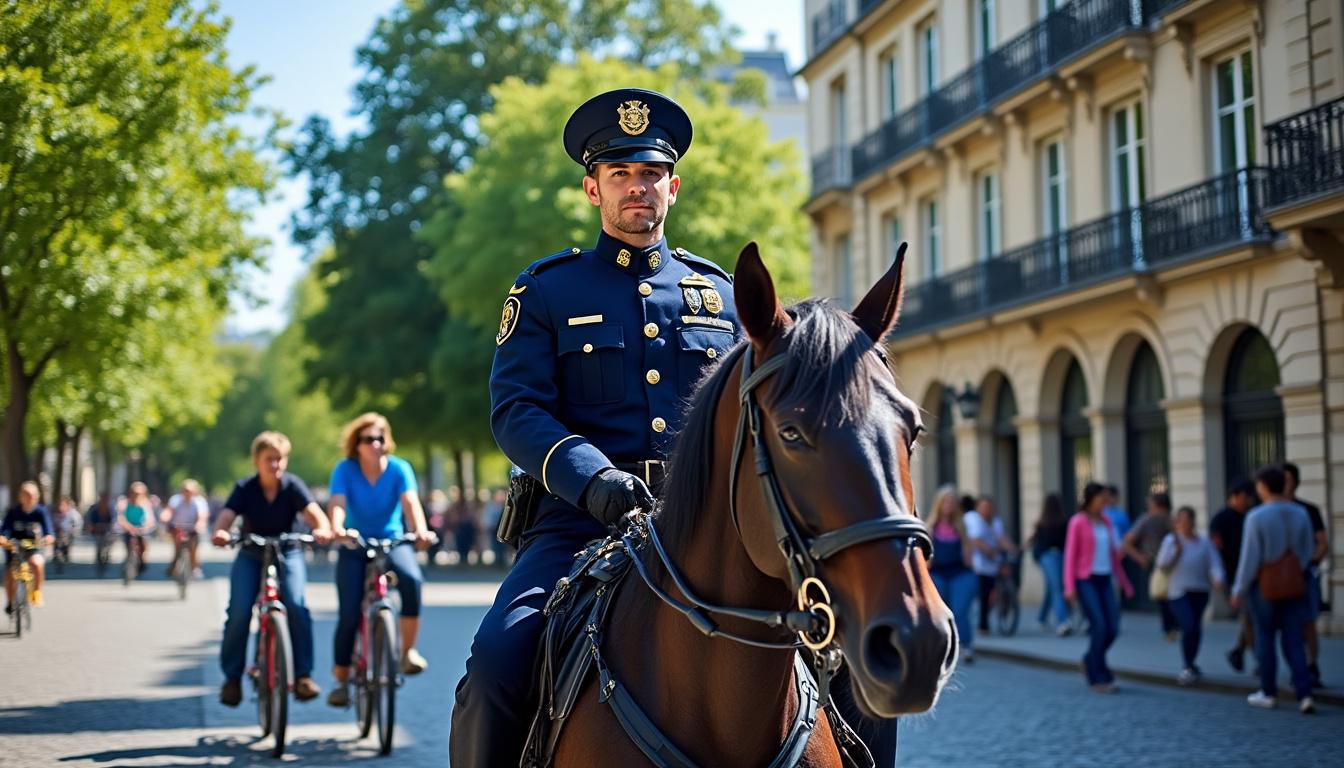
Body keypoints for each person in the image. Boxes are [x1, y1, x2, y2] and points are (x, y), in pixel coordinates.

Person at [449, 88, 747, 768]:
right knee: (498, 661)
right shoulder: (548, 291)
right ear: (593, 189)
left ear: (673, 186)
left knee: (845, 655)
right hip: (577, 524)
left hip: (709, 524)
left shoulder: (723, 296)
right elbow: (516, 409)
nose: (637, 187)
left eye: (651, 173)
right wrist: (593, 479)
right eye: (620, 174)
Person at [210, 431, 333, 707]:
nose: (275, 464)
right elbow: (227, 515)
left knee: (297, 606)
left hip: (287, 552)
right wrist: (221, 532)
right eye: (269, 459)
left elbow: (314, 514)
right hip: (251, 554)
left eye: (280, 459)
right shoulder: (245, 488)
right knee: (239, 611)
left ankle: (303, 676)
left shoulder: (293, 486)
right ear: (256, 460)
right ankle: (232, 679)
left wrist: (322, 529)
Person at [326, 412, 435, 708]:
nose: (375, 444)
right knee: (349, 613)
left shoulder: (400, 468)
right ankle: (340, 680)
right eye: (368, 439)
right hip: (354, 543)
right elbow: (337, 504)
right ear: (356, 444)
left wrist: (420, 530)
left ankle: (407, 652)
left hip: (391, 541)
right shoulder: (345, 469)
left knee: (412, 579)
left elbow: (410, 503)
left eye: (380, 438)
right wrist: (337, 528)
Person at [1229, 465, 1315, 714]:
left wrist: (1238, 589)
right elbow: (1307, 551)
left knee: (1265, 636)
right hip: (1295, 583)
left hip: (1264, 585)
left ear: (1263, 487)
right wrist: (1294, 571)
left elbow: (1250, 558)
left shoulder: (1256, 516)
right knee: (1294, 639)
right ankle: (1304, 693)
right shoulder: (1300, 513)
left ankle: (1268, 691)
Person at [1064, 482, 1134, 692]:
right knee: (1099, 626)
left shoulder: (1106, 521)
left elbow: (1114, 557)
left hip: (1105, 579)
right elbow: (1070, 556)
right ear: (1090, 499)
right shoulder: (1078, 521)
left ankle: (1089, 659)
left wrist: (1125, 583)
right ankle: (1098, 677)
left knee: (1112, 628)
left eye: (1106, 498)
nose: (1105, 502)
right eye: (1101, 498)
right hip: (1086, 579)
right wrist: (1069, 587)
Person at [1156, 506, 1225, 685]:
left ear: (1193, 521)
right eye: (1180, 520)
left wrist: (1218, 578)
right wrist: (1176, 552)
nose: (1183, 524)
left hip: (1200, 590)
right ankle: (1187, 666)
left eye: (1187, 520)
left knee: (1196, 628)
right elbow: (1161, 564)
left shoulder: (1204, 542)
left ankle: (1191, 663)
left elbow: (1214, 562)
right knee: (1189, 626)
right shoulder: (1171, 540)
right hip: (1178, 591)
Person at [1283, 462, 1328, 688]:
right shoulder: (1268, 511)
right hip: (1280, 578)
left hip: (1304, 574)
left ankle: (1311, 666)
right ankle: (1297, 667)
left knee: (1308, 622)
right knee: (1288, 625)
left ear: (1296, 483)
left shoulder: (1308, 510)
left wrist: (1311, 563)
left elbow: (1322, 543)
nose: (1284, 485)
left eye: (1288, 480)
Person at [924, 485, 978, 663]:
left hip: (959, 572)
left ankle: (966, 646)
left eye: (952, 502)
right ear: (939, 504)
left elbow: (968, 559)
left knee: (959, 610)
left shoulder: (962, 527)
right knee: (939, 613)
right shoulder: (930, 527)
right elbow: (926, 561)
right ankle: (942, 647)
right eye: (946, 501)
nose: (949, 505)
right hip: (938, 573)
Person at [1210, 481, 1257, 673]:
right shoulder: (1221, 519)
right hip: (1231, 576)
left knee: (1251, 617)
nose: (1250, 501)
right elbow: (1214, 549)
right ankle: (1258, 658)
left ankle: (1238, 651)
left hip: (1253, 573)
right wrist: (1218, 576)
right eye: (1247, 497)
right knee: (1249, 616)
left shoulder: (1251, 516)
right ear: (1236, 496)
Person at [1123, 491, 1177, 639]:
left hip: (1158, 561)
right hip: (1165, 562)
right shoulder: (1169, 520)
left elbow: (1127, 542)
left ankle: (1170, 628)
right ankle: (1172, 627)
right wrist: (1140, 557)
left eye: (1150, 504)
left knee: (1164, 596)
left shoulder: (1147, 519)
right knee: (1168, 595)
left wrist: (1140, 557)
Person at [964, 494, 1017, 634]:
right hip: (978, 562)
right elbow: (974, 539)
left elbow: (1001, 538)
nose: (986, 510)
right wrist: (987, 549)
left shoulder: (995, 521)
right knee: (984, 593)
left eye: (989, 507)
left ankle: (1000, 609)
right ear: (977, 508)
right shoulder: (972, 519)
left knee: (993, 591)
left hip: (993, 560)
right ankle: (983, 624)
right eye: (983, 507)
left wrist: (1012, 549)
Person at [1, 481, 55, 610]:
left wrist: (48, 538)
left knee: (37, 563)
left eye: (32, 495)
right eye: (26, 495)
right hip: (14, 546)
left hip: (33, 545)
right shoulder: (13, 512)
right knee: (11, 574)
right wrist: (3, 539)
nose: (30, 498)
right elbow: (4, 531)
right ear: (21, 497)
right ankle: (10, 603)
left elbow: (49, 531)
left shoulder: (40, 512)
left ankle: (36, 592)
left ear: (37, 496)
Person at [1028, 493, 1071, 635]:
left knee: (1052, 588)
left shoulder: (1042, 523)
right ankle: (1062, 622)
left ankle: (1041, 618)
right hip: (1058, 556)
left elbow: (1035, 542)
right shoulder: (1063, 522)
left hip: (1046, 557)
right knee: (1057, 588)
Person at [161, 479, 209, 578]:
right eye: (185, 490)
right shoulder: (176, 500)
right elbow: (169, 511)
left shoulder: (199, 501)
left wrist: (200, 524)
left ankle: (195, 567)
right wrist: (164, 516)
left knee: (193, 549)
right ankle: (173, 566)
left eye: (189, 491)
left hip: (192, 529)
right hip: (178, 528)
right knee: (177, 548)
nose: (187, 493)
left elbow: (202, 516)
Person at [118, 482, 155, 576]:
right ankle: (128, 563)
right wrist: (128, 527)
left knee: (143, 545)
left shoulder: (145, 504)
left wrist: (146, 526)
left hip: (141, 529)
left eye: (140, 494)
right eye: (135, 493)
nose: (137, 496)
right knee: (128, 544)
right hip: (128, 529)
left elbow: (150, 519)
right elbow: (121, 518)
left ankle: (142, 559)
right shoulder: (124, 503)